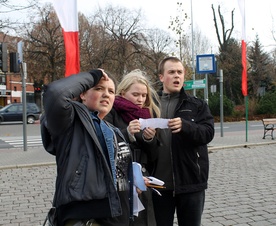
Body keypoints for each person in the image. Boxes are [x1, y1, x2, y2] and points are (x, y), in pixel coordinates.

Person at [41, 69, 134, 226]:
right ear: (82, 94)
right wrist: (93, 75)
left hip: (118, 217)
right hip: (85, 217)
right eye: (99, 88)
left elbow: (117, 174)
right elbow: (55, 93)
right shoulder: (71, 122)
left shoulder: (114, 130)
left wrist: (134, 180)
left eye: (111, 91)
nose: (106, 94)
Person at [151, 57, 215, 226]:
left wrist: (186, 127)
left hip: (190, 182)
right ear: (161, 77)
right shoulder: (149, 104)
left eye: (179, 72)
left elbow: (208, 133)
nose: (176, 76)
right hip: (158, 184)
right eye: (171, 72)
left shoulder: (197, 105)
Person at [104, 69, 160, 226]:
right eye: (136, 94)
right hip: (120, 180)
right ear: (122, 92)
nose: (140, 99)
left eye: (144, 95)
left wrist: (150, 140)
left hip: (143, 179)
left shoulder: (147, 115)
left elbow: (154, 156)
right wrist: (126, 133)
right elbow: (105, 143)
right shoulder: (111, 111)